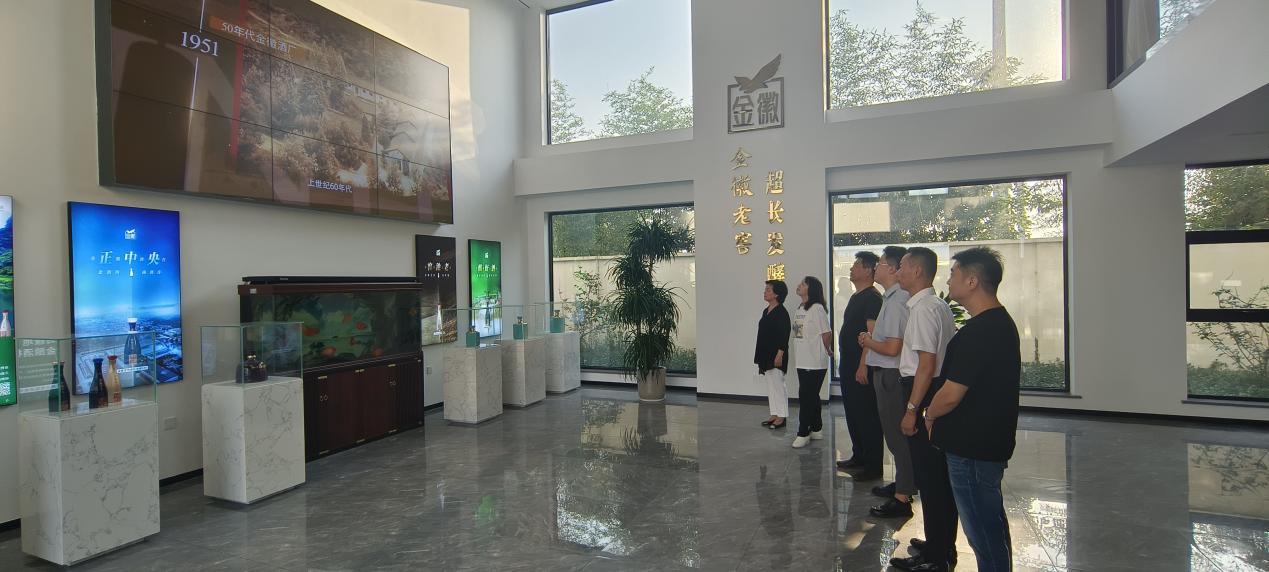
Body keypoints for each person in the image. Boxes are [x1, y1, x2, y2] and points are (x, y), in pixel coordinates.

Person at [926, 247, 1020, 572]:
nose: (948, 281)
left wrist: (929, 414)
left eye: (953, 274)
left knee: (983, 531)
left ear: (972, 281)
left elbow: (952, 394)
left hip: (973, 450)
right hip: (982, 445)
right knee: (990, 525)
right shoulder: (996, 324)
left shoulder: (983, 330)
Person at [890, 247, 957, 572]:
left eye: (901, 266)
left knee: (931, 479)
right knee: (935, 477)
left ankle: (936, 557)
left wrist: (911, 409)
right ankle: (939, 544)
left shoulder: (923, 309)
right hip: (930, 388)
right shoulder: (936, 305)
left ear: (917, 271)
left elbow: (926, 366)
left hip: (923, 391)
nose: (897, 271)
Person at [858, 246, 917, 518]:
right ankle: (902, 483)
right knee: (894, 436)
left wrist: (868, 342)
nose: (876, 268)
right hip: (889, 374)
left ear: (892, 269)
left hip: (891, 375)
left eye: (880, 264)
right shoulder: (891, 298)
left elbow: (893, 348)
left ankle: (902, 497)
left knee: (897, 436)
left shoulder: (896, 302)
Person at [835, 252, 884, 479]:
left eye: (856, 265)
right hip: (849, 364)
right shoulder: (857, 296)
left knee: (866, 415)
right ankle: (859, 456)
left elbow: (871, 333)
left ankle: (872, 466)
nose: (852, 268)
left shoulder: (872, 297)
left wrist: (863, 365)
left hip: (861, 365)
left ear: (868, 270)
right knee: (853, 413)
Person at [791, 276, 833, 449]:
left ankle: (803, 433)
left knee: (806, 396)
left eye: (803, 284)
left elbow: (827, 333)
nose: (799, 285)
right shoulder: (801, 308)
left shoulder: (817, 308)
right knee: (811, 395)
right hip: (802, 360)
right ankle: (816, 428)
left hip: (814, 361)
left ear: (811, 289)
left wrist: (827, 350)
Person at [755, 280, 791, 429]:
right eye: (765, 289)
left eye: (768, 290)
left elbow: (784, 335)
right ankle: (775, 413)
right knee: (771, 384)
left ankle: (782, 416)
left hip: (777, 354)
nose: (765, 292)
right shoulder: (766, 311)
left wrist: (780, 354)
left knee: (778, 384)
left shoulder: (782, 312)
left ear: (777, 294)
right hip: (766, 353)